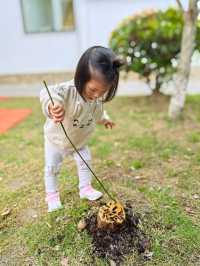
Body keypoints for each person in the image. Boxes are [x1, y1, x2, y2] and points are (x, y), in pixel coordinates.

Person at [40, 46, 123, 212]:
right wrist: (52, 105)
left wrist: (105, 120)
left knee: (85, 162)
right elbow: (47, 92)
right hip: (56, 141)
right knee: (52, 168)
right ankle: (52, 195)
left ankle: (85, 188)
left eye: (103, 91)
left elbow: (98, 114)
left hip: (79, 142)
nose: (96, 95)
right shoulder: (68, 90)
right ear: (81, 76)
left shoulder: (97, 100)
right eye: (93, 89)